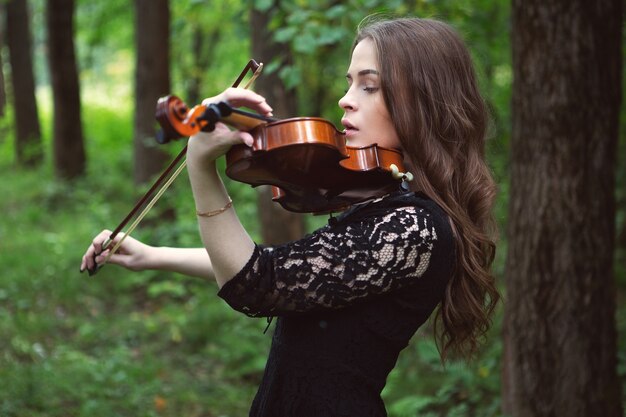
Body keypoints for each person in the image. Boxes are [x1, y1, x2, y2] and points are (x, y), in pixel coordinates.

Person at [81, 16, 499, 417]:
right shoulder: (383, 203)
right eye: (350, 82)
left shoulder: (414, 228)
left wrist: (201, 165)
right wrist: (152, 255)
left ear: (423, 100)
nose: (345, 99)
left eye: (369, 86)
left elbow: (258, 282)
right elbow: (282, 266)